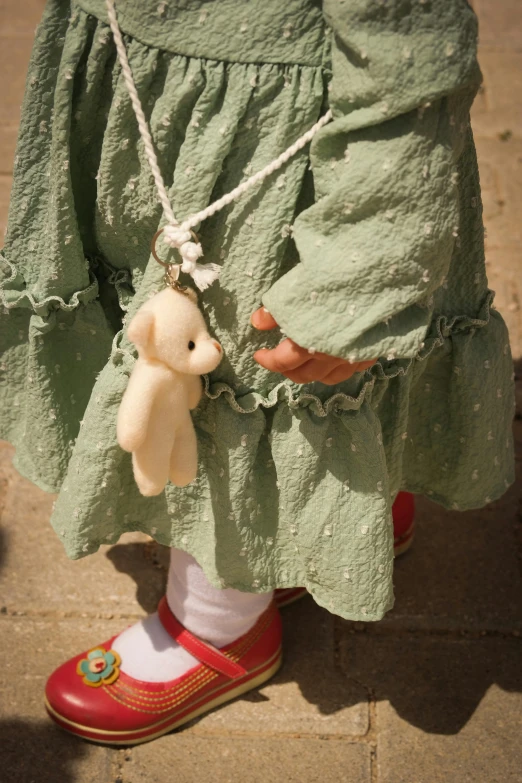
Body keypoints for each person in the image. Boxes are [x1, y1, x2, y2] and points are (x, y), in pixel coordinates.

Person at [0, 0, 514, 745]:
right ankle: (347, 506)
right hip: (140, 81)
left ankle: (221, 622)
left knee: (246, 369)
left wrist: (360, 274)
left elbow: (409, 46)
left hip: (277, 137)